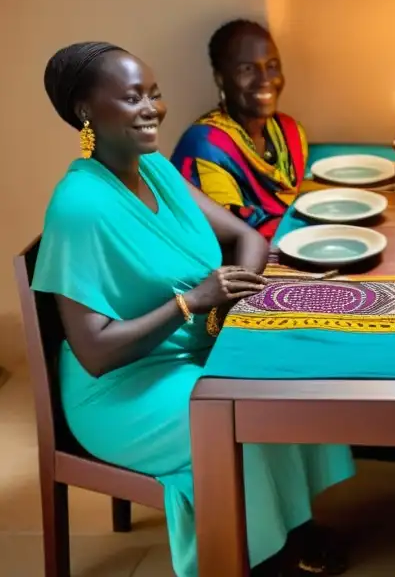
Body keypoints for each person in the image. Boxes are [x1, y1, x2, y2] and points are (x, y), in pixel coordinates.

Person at [34, 42, 355, 577]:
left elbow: (244, 236)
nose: (151, 109)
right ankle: (256, 556)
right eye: (132, 97)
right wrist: (193, 302)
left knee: (283, 377)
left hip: (192, 350)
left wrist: (236, 300)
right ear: (86, 111)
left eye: (154, 95)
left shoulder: (154, 167)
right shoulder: (78, 205)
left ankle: (292, 528)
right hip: (121, 392)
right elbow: (94, 351)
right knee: (235, 415)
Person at [172, 20, 305, 240]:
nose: (264, 80)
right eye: (247, 69)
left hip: (292, 248)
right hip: (226, 265)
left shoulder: (290, 132)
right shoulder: (206, 145)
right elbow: (232, 233)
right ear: (220, 79)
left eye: (271, 66)